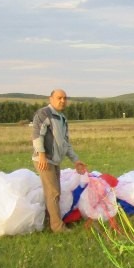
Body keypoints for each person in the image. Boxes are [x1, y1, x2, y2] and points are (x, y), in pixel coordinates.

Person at [31, 89, 88, 232]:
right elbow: (37, 135)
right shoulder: (44, 114)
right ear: (51, 99)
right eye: (59, 98)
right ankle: (57, 227)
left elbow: (65, 143)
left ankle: (49, 221)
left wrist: (76, 160)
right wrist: (42, 155)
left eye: (65, 98)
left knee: (53, 192)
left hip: (54, 160)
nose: (62, 101)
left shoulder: (62, 118)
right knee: (53, 192)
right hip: (44, 160)